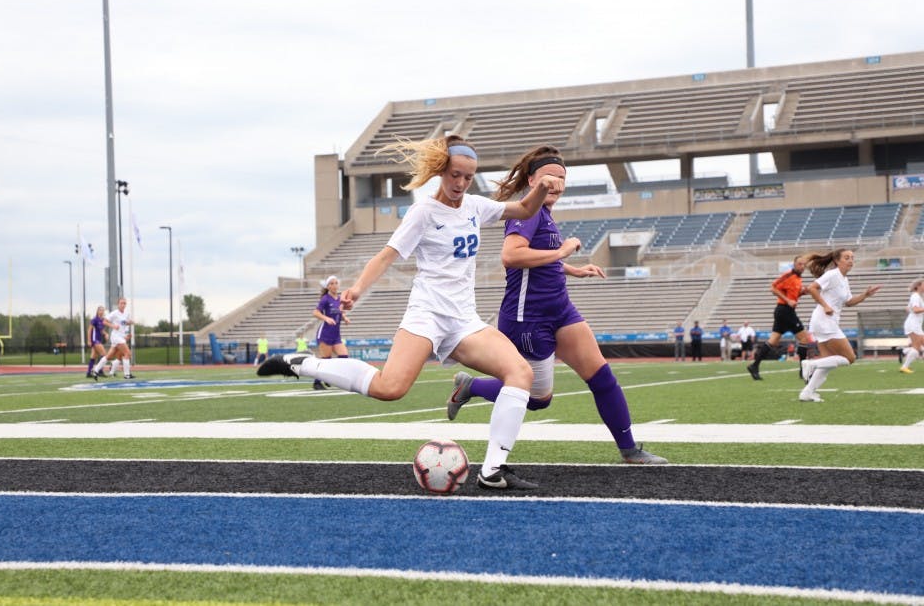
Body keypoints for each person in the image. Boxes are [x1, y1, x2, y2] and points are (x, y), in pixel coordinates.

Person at [258, 133, 565, 490]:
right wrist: (357, 288)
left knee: (520, 374)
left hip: (464, 320)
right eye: (455, 175)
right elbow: (386, 255)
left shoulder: (476, 207)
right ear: (440, 170)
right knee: (390, 388)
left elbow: (526, 209)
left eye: (468, 177)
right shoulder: (423, 213)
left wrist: (542, 187)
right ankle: (302, 364)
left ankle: (493, 470)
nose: (461, 183)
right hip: (427, 314)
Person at [445, 144, 666, 465]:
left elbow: (542, 258)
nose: (557, 182)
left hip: (561, 309)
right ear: (533, 179)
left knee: (601, 376)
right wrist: (562, 252)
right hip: (528, 318)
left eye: (562, 177)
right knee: (538, 399)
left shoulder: (545, 214)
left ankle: (630, 449)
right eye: (550, 175)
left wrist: (573, 268)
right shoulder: (528, 211)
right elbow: (511, 256)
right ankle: (472, 386)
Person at [798, 249, 881, 402]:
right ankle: (810, 364)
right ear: (837, 261)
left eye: (852, 258)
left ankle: (807, 392)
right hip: (824, 321)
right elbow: (812, 288)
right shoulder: (832, 275)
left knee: (829, 361)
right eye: (846, 258)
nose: (850, 260)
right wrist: (825, 306)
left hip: (825, 322)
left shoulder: (844, 279)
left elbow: (849, 302)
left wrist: (865, 295)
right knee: (849, 358)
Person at [748, 255, 815, 381]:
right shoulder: (789, 275)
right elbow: (773, 288)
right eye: (799, 264)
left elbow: (792, 295)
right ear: (794, 264)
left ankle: (754, 365)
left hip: (783, 311)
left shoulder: (797, 279)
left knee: (773, 341)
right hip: (785, 311)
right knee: (804, 338)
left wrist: (802, 293)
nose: (802, 266)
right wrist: (788, 300)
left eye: (803, 265)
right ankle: (803, 370)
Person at [311, 275, 350, 390]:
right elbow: (315, 312)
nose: (334, 285)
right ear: (327, 286)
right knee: (326, 360)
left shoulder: (339, 299)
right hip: (325, 333)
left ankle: (330, 378)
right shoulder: (325, 299)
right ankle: (317, 382)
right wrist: (326, 318)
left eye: (336, 283)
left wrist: (344, 318)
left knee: (344, 356)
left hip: (336, 335)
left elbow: (339, 312)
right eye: (331, 283)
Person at [91, 297, 135, 380]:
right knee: (127, 353)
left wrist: (130, 323)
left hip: (121, 336)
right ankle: (127, 375)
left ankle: (95, 370)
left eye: (124, 303)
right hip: (116, 337)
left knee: (109, 356)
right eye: (121, 303)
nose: (123, 305)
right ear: (118, 304)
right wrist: (113, 326)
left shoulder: (126, 313)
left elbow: (124, 323)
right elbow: (104, 321)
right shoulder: (115, 313)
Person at [899, 278, 924, 374]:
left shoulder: (916, 296)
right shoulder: (916, 296)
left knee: (918, 347)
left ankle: (904, 353)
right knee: (916, 347)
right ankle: (904, 367)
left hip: (914, 324)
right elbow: (916, 310)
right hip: (913, 325)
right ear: (918, 286)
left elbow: (908, 309)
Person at [85, 305, 107, 378]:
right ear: (97, 311)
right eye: (100, 310)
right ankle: (99, 371)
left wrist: (105, 334)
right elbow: (89, 330)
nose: (101, 311)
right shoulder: (94, 319)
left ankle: (88, 372)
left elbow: (101, 330)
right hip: (95, 340)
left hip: (99, 340)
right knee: (104, 355)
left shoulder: (102, 320)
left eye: (103, 310)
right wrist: (89, 340)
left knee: (93, 357)